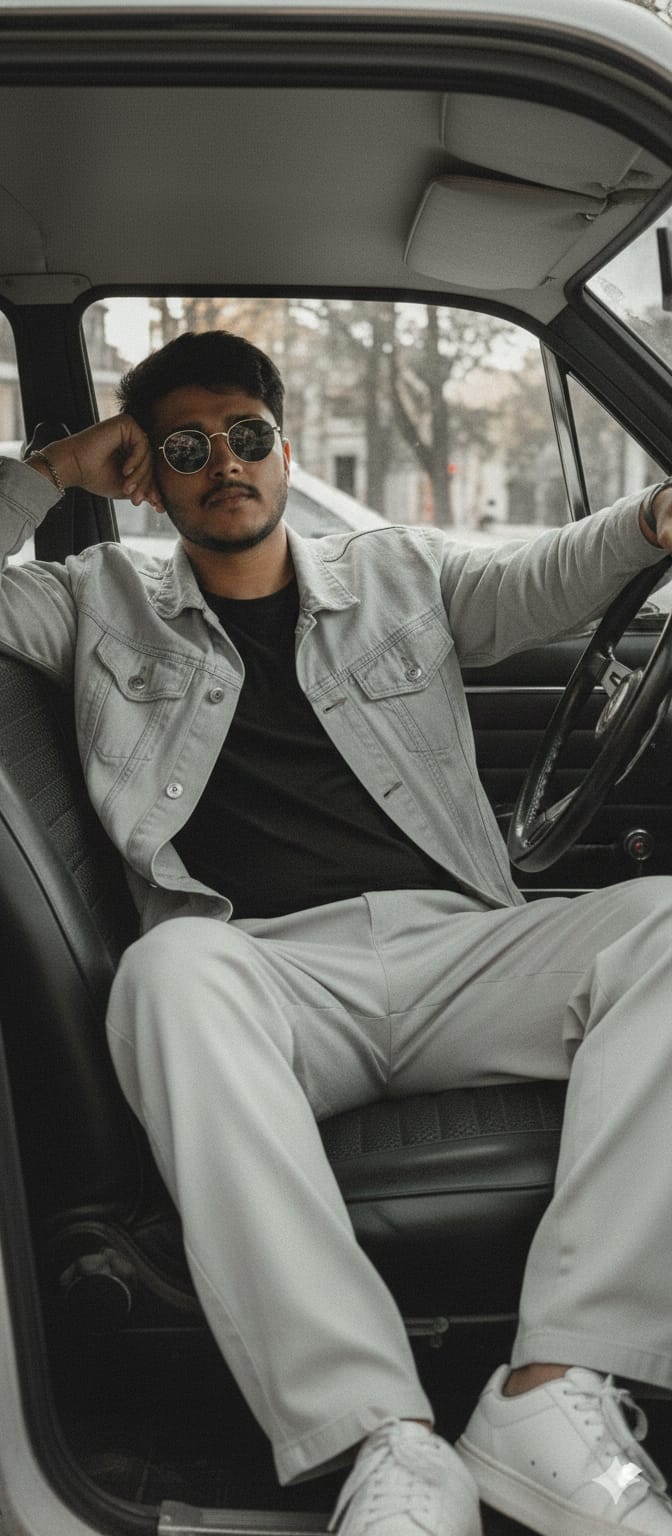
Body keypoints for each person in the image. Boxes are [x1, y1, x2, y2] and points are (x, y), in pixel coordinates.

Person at [2, 327, 672, 1536]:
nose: (225, 464)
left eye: (246, 435)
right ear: (148, 474)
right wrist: (53, 469)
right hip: (268, 975)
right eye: (186, 448)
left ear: (283, 446)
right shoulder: (91, 601)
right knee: (167, 971)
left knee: (668, 920)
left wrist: (652, 521)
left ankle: (554, 1387)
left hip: (460, 952)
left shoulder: (397, 573)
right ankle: (382, 1440)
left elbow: (544, 577)